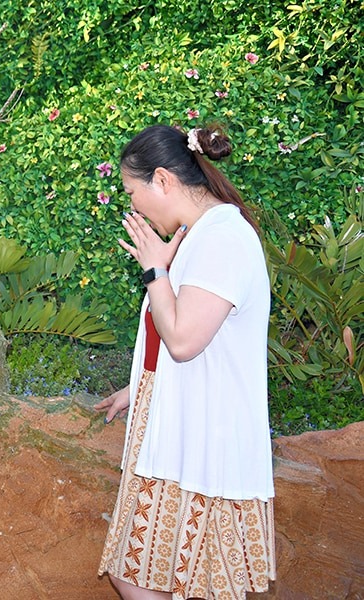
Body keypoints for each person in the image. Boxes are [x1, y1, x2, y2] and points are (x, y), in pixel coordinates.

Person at [94, 124, 275, 600]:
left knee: (158, 577)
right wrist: (140, 386)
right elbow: (185, 336)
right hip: (182, 431)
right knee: (143, 573)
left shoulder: (223, 241)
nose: (132, 205)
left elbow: (183, 341)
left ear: (162, 180)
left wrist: (155, 270)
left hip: (204, 445)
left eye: (132, 191)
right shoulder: (201, 236)